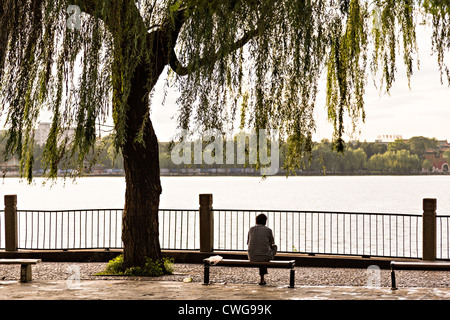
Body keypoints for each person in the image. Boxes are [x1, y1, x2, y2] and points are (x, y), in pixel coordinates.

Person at [247, 213, 277, 285]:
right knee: (274, 247)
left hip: (252, 257)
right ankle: (262, 279)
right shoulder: (268, 230)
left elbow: (248, 242)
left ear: (256, 221)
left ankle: (262, 279)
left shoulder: (251, 229)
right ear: (265, 221)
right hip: (265, 256)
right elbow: (271, 243)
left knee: (261, 252)